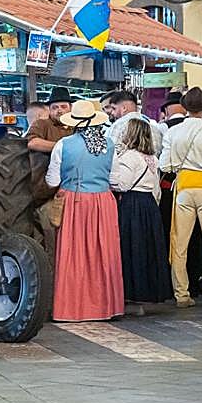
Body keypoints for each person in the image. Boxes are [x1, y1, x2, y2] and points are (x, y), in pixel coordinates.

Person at [45, 99, 123, 321]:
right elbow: (116, 180)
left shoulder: (64, 144)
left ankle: (72, 308)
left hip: (75, 202)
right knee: (104, 253)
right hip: (103, 203)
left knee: (74, 254)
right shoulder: (109, 145)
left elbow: (52, 180)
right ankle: (106, 306)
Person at [160, 87, 202, 309]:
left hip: (183, 187)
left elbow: (165, 165)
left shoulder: (173, 132)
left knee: (179, 243)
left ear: (184, 107)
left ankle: (181, 294)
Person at [109, 117, 170, 306]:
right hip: (149, 204)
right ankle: (148, 291)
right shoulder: (152, 158)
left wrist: (108, 180)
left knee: (131, 247)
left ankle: (131, 291)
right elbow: (156, 189)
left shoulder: (129, 157)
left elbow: (123, 184)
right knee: (148, 249)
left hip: (132, 204)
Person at [27, 86, 75, 256]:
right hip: (47, 191)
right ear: (49, 110)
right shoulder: (42, 124)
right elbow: (32, 142)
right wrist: (61, 148)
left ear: (70, 108)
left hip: (74, 190)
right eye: (55, 107)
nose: (59, 110)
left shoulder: (77, 126)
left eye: (63, 106)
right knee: (51, 229)